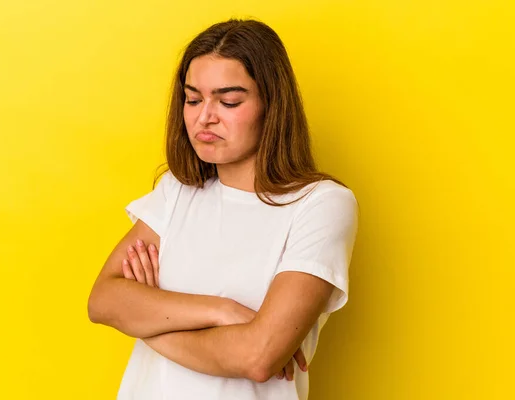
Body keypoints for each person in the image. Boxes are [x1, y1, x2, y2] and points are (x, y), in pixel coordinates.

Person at [87, 18, 359, 400]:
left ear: (272, 106)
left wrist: (146, 321)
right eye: (193, 98)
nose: (204, 117)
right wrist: (222, 311)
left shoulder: (321, 204)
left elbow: (258, 356)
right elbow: (103, 301)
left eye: (229, 101)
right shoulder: (177, 192)